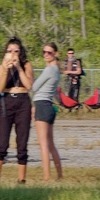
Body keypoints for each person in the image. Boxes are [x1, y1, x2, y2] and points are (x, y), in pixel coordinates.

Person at [0, 37, 34, 185]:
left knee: (22, 142)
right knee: (2, 142)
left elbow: (29, 85)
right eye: (10, 51)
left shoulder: (27, 65)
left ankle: (21, 179)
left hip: (23, 101)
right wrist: (5, 68)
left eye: (16, 51)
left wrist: (19, 68)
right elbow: (0, 88)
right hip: (7, 100)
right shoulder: (1, 67)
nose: (13, 54)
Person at [32, 42, 63, 181]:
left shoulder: (49, 69)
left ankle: (47, 176)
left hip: (42, 105)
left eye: (49, 52)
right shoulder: (56, 70)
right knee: (50, 144)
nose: (46, 54)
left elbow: (34, 87)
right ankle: (59, 175)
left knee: (43, 144)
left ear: (55, 54)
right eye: (44, 52)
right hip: (49, 105)